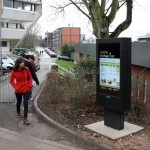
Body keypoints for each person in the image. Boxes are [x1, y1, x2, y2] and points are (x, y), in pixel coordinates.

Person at [9, 57, 32, 125]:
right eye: (21, 62)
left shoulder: (26, 69)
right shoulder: (14, 71)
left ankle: (25, 118)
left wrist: (29, 85)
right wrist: (16, 87)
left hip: (26, 88)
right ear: (18, 63)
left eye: (23, 62)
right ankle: (18, 111)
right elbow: (11, 81)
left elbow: (30, 78)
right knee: (18, 102)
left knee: (25, 103)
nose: (23, 63)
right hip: (18, 89)